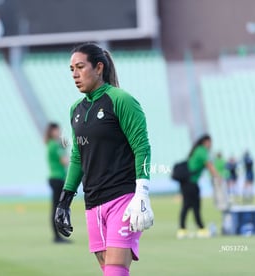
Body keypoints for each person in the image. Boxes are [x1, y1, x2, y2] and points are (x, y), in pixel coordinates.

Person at [54, 43, 154, 276]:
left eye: (80, 67)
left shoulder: (121, 100)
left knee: (115, 272)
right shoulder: (76, 110)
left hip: (123, 199)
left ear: (98, 68)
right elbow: (78, 155)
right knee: (109, 271)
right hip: (93, 204)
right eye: (71, 70)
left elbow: (142, 146)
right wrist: (64, 199)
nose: (75, 75)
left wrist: (142, 193)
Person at [177, 134, 219, 239]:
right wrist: (218, 177)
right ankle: (200, 229)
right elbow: (209, 165)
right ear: (206, 142)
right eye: (210, 142)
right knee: (194, 206)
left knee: (187, 206)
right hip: (190, 183)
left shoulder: (198, 150)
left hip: (187, 183)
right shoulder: (202, 151)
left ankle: (183, 230)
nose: (211, 145)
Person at [45, 122, 69, 243]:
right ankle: (57, 236)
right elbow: (65, 161)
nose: (58, 133)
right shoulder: (55, 145)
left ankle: (57, 235)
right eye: (56, 131)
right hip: (58, 179)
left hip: (55, 178)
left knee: (56, 207)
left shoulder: (51, 144)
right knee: (57, 208)